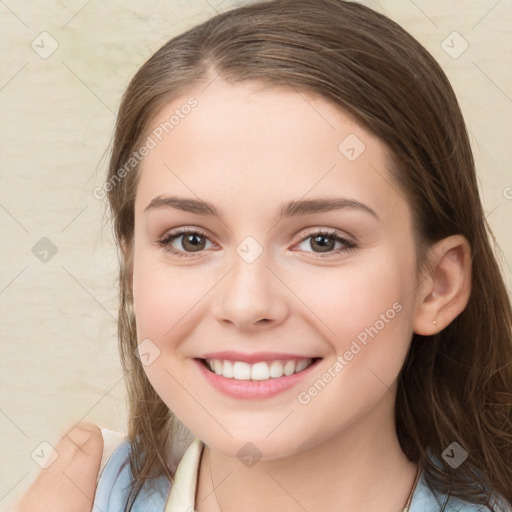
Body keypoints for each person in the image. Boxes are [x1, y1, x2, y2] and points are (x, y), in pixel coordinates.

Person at [17, 0, 512, 511]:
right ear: (132, 270)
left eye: (323, 241)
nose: (246, 303)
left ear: (437, 284)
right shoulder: (75, 491)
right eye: (190, 240)